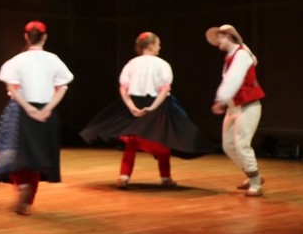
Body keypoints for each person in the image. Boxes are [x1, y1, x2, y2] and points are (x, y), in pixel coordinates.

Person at [80, 32, 212, 188]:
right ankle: (165, 178)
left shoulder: (131, 64)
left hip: (135, 102)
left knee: (132, 141)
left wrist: (131, 107)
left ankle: (124, 176)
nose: (159, 47)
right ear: (151, 46)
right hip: (157, 103)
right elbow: (164, 89)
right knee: (163, 139)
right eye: (158, 44)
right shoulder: (162, 64)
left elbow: (123, 88)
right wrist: (153, 107)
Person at [0, 21, 74, 215]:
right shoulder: (53, 59)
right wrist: (48, 109)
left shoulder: (17, 60)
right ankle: (28, 202)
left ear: (26, 37)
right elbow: (63, 87)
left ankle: (22, 187)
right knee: (37, 157)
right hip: (46, 112)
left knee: (15, 153)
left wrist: (28, 108)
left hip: (21, 110)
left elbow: (12, 88)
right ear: (45, 37)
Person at [206, 24, 266, 197]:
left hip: (248, 106)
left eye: (220, 37)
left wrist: (221, 99)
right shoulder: (230, 57)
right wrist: (223, 101)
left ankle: (255, 182)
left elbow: (234, 79)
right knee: (228, 145)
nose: (217, 41)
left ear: (229, 36)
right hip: (234, 108)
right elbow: (229, 80)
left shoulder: (241, 54)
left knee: (241, 144)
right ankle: (252, 175)